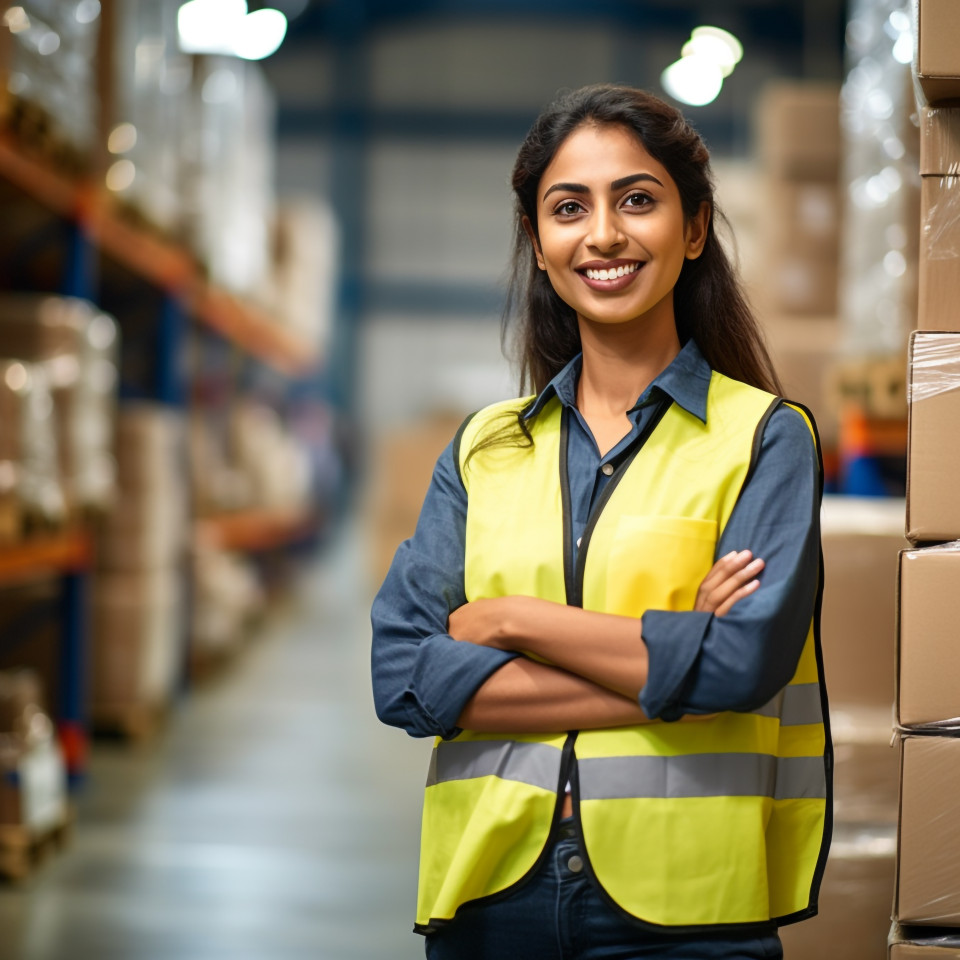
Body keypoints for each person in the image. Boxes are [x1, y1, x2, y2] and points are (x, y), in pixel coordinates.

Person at [371, 84, 830, 960]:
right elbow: (402, 677)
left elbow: (739, 665)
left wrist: (509, 621)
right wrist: (675, 674)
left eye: (638, 200)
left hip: (688, 908)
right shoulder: (484, 449)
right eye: (569, 208)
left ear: (694, 229)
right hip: (490, 895)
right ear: (538, 243)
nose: (605, 235)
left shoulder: (764, 438)